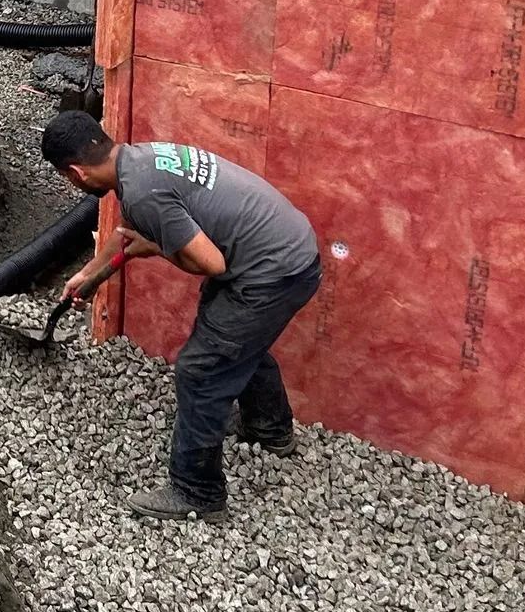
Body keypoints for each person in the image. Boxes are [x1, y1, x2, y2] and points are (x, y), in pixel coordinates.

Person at [40, 109, 322, 522]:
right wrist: (91, 275)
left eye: (68, 179)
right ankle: (269, 430)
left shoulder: (143, 193)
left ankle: (196, 490)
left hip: (273, 272)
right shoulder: (139, 160)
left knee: (203, 368)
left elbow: (211, 264)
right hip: (287, 251)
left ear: (76, 173)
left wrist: (156, 247)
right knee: (233, 338)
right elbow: (127, 234)